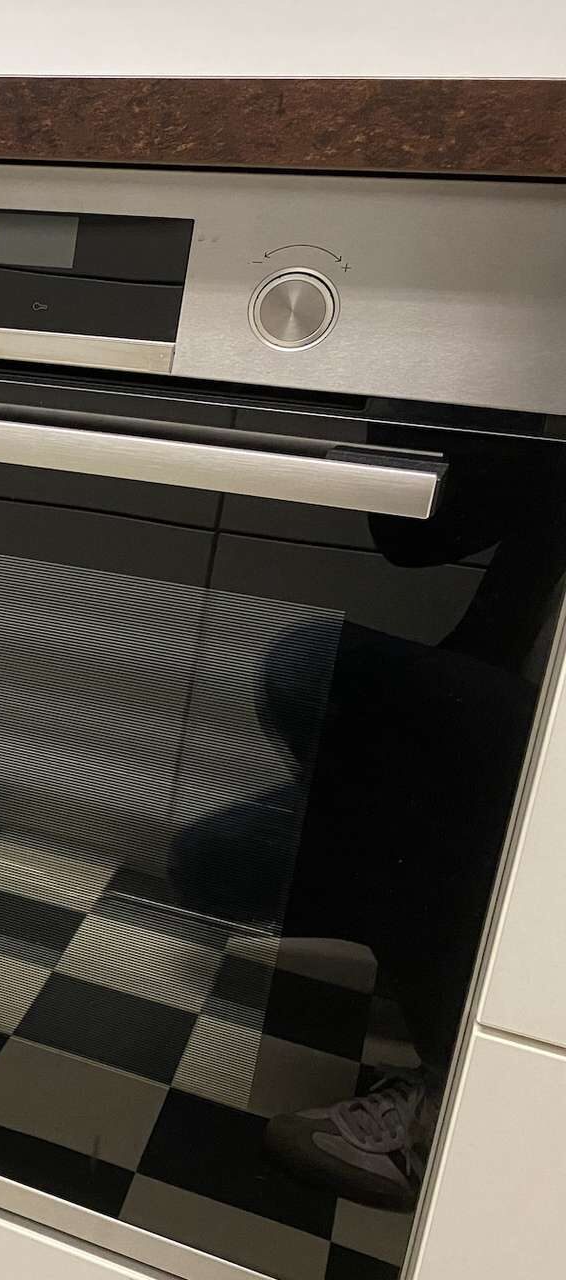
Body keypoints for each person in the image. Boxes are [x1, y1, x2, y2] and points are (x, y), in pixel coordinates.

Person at [170, 434, 566, 1209]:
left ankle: (453, 1095)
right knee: (212, 864)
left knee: (305, 668)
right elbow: (415, 539)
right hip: (499, 746)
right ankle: (441, 922)